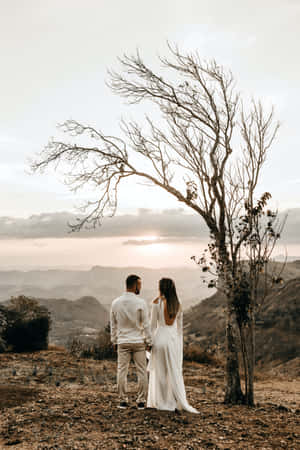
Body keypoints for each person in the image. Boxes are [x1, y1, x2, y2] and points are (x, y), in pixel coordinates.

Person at [147, 278, 199, 413]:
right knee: (173, 372)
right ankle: (173, 401)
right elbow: (179, 328)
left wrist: (149, 342)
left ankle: (160, 402)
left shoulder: (156, 302)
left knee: (160, 373)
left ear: (161, 288)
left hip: (160, 339)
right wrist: (178, 344)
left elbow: (152, 326)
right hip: (173, 340)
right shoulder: (178, 303)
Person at [110, 274, 152, 410]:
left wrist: (114, 340)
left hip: (122, 341)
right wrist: (149, 341)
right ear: (134, 285)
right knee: (142, 372)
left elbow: (113, 325)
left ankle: (122, 400)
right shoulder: (141, 303)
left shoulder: (115, 302)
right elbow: (146, 324)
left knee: (121, 371)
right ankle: (141, 401)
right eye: (139, 285)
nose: (140, 287)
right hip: (138, 342)